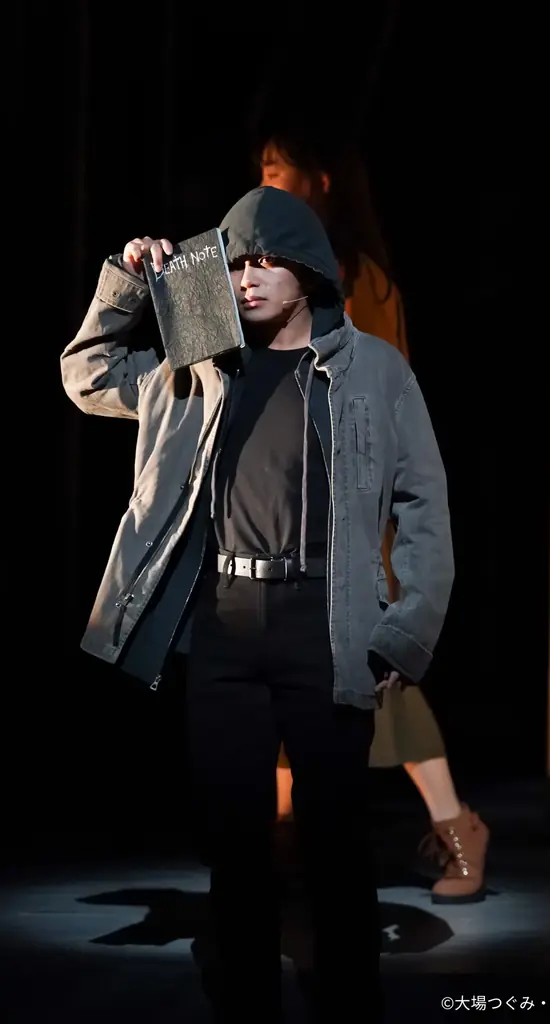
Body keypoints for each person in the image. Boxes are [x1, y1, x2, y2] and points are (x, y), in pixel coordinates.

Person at [60, 185, 454, 1023]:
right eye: (235, 263)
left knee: (335, 842)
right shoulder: (199, 363)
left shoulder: (373, 368)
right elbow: (87, 376)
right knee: (235, 846)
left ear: (308, 271)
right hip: (226, 627)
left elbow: (423, 503)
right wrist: (127, 283)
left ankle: (349, 1004)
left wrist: (404, 631)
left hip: (328, 623)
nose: (247, 277)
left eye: (268, 262)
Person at [255, 132, 490, 902]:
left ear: (318, 180)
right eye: (260, 169)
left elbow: (372, 398)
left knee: (374, 670)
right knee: (285, 670)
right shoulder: (280, 273)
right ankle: (281, 843)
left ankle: (455, 826)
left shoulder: (353, 277)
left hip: (344, 508)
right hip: (284, 506)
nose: (265, 178)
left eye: (277, 167)